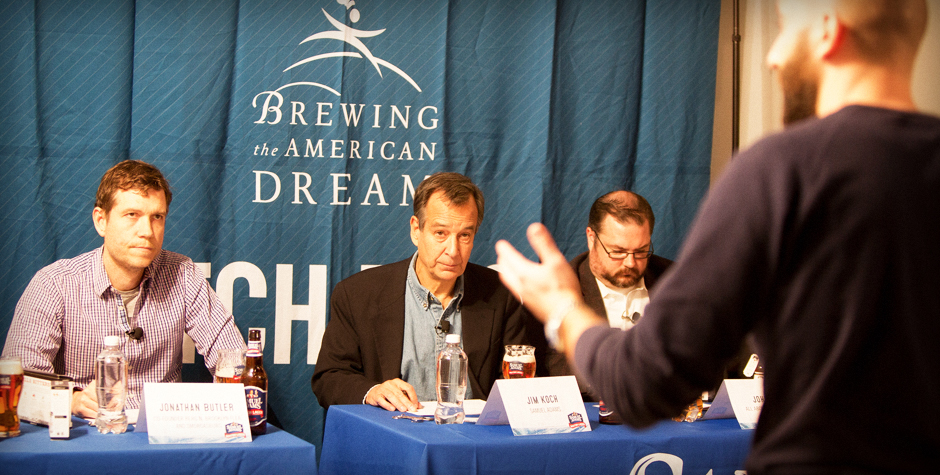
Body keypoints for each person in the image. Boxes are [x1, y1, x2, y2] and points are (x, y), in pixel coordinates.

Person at [494, 1, 940, 472]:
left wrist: (562, 309)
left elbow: (640, 384)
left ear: (827, 31)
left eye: (786, 29)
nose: (772, 56)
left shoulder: (779, 172)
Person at [2, 160, 245, 418]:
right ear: (101, 221)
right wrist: (71, 401)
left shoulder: (184, 274)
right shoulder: (54, 283)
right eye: (132, 215)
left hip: (161, 437)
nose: (147, 231)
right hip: (85, 436)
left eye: (157, 217)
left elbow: (235, 361)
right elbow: (18, 382)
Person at [311, 172, 529, 412]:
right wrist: (372, 391)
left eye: (464, 235)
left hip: (474, 439)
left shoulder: (500, 293)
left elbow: (519, 382)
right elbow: (329, 377)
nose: (453, 250)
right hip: (393, 437)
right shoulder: (358, 294)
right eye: (440, 234)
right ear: (416, 230)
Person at [573, 190, 672, 330]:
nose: (630, 263)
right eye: (618, 252)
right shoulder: (560, 291)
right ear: (591, 238)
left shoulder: (677, 281)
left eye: (641, 251)